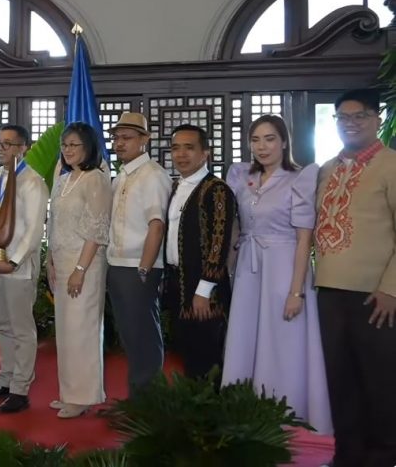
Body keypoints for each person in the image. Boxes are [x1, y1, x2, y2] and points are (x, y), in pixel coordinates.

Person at [221, 115, 330, 434]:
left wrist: (296, 291)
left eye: (270, 139)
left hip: (285, 267)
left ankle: (287, 412)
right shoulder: (242, 176)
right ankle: (247, 410)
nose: (262, 146)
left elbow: (304, 239)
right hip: (248, 268)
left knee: (283, 340)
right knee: (246, 337)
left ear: (284, 141)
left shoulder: (300, 178)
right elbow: (235, 227)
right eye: (256, 140)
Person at [314, 89, 396, 467]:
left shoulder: (391, 164)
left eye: (359, 116)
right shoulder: (327, 168)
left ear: (377, 119)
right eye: (343, 117)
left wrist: (391, 289)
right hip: (329, 292)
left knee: (380, 381)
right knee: (340, 380)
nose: (350, 123)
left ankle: (383, 457)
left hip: (375, 295)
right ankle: (347, 455)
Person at [0, 125, 48, 413]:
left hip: (17, 267)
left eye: (8, 144)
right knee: (3, 325)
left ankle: (20, 388)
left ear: (23, 147)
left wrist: (13, 260)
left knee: (21, 328)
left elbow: (34, 230)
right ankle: (4, 379)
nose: (1, 148)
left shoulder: (33, 182)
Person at [47, 122, 112, 418]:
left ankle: (84, 396)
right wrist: (50, 260)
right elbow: (54, 224)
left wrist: (80, 269)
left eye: (74, 144)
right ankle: (69, 392)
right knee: (66, 332)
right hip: (61, 262)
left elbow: (97, 229)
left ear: (88, 147)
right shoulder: (63, 179)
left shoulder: (96, 178)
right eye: (65, 145)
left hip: (84, 264)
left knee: (82, 330)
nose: (68, 149)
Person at [164, 123, 237, 381]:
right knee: (186, 352)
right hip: (179, 283)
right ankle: (192, 405)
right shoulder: (176, 187)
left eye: (189, 148)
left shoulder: (216, 190)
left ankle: (211, 406)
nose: (181, 154)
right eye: (176, 148)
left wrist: (204, 291)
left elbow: (219, 243)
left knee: (207, 357)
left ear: (205, 152)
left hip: (205, 290)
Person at [106, 113, 172, 396]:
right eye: (116, 138)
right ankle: (137, 397)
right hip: (117, 264)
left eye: (127, 138)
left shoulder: (153, 175)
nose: (119, 143)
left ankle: (148, 402)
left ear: (144, 139)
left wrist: (144, 269)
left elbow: (157, 225)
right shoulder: (121, 176)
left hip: (139, 266)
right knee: (130, 336)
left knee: (143, 335)